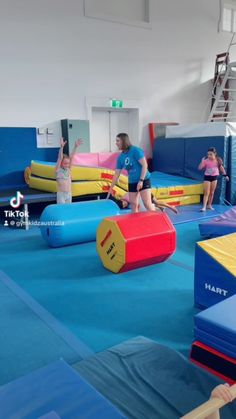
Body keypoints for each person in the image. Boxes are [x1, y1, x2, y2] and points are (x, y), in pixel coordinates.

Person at [107, 133, 153, 212]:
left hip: (144, 179)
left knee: (147, 204)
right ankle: (135, 223)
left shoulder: (135, 151)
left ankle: (156, 221)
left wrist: (141, 181)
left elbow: (145, 165)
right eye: (116, 141)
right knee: (134, 204)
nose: (116, 143)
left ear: (124, 141)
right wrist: (111, 188)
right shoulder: (120, 157)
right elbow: (117, 174)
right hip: (132, 181)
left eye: (118, 141)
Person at [198, 147, 229, 212]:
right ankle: (204, 207)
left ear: (215, 154)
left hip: (214, 178)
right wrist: (202, 162)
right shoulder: (206, 161)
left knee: (212, 192)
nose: (209, 156)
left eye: (211, 154)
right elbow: (200, 168)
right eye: (208, 154)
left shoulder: (218, 160)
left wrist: (225, 175)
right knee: (207, 192)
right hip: (207, 177)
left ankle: (209, 205)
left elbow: (221, 168)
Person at [55, 137, 82, 204]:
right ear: (61, 163)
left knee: (68, 209)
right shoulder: (58, 169)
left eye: (68, 163)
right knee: (62, 209)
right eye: (65, 163)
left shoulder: (68, 169)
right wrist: (61, 147)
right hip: (61, 194)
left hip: (69, 193)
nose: (67, 165)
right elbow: (60, 157)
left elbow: (72, 157)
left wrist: (75, 147)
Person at [110, 191, 178, 214]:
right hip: (143, 200)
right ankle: (160, 207)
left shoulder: (127, 197)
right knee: (153, 204)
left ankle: (171, 207)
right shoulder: (124, 201)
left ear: (122, 200)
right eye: (124, 206)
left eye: (124, 203)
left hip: (145, 194)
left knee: (157, 202)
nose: (126, 204)